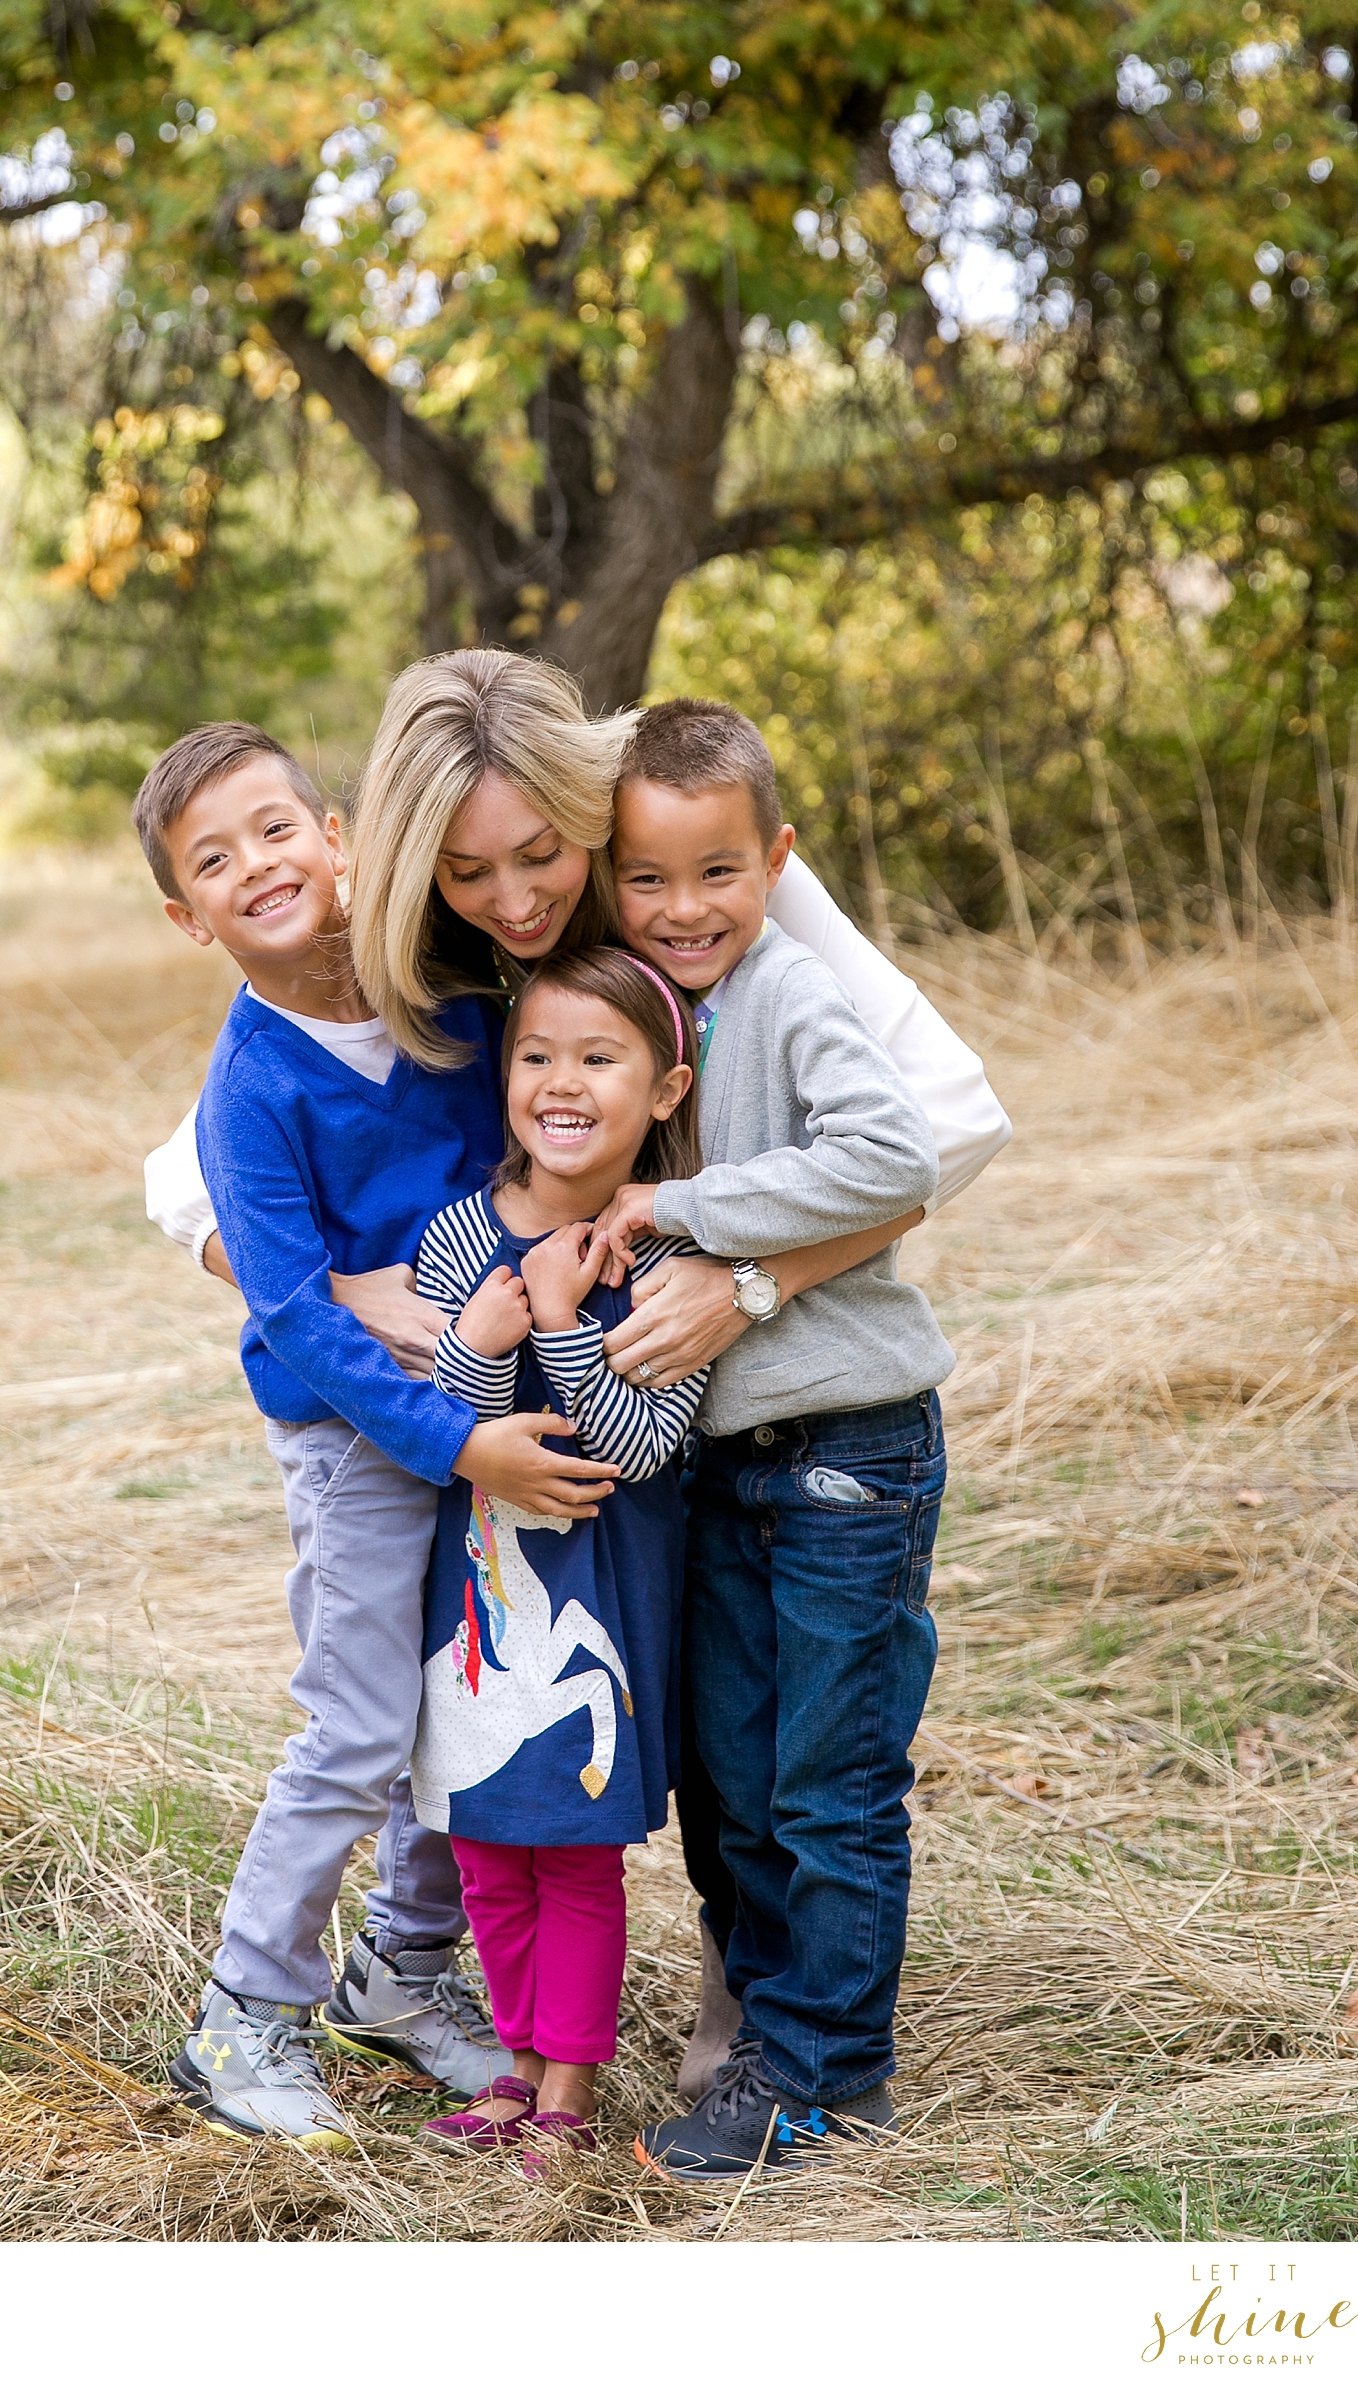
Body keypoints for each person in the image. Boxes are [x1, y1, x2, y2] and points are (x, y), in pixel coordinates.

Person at [144, 648, 1012, 2092]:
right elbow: (187, 1183)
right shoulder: (409, 921)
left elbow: (955, 1120)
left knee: (715, 1712)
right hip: (523, 1377)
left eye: (547, 856)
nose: (519, 902)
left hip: (735, 1375)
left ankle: (762, 2020)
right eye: (475, 874)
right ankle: (375, 1982)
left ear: (593, 810)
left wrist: (749, 1282)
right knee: (491, 1689)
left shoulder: (700, 860)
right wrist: (368, 1298)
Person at [133, 716, 611, 2149]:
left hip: (494, 1409)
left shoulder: (450, 1003)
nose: (258, 866)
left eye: (277, 827)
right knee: (354, 1722)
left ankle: (401, 1971)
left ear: (341, 836)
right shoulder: (252, 1092)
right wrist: (460, 1446)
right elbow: (297, 1319)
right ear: (185, 914)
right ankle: (243, 2013)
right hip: (358, 1442)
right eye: (214, 860)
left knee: (464, 1703)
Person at [594, 700, 952, 2184]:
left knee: (827, 1773)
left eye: (719, 873)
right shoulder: (655, 1009)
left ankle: (825, 2071)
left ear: (777, 860)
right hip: (729, 1462)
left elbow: (896, 1157)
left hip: (846, 1454)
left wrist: (688, 1211)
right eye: (652, 878)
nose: (685, 911)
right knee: (727, 1774)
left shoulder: (795, 994)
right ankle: (767, 2030)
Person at [406, 946, 713, 2169]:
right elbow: (439, 1431)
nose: (560, 1080)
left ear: (664, 1090)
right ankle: (514, 2060)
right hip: (474, 1588)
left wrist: (552, 1321)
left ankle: (569, 2089)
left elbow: (638, 1447)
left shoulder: (671, 1251)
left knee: (573, 1853)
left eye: (598, 1056)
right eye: (535, 1054)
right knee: (483, 1842)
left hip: (608, 1591)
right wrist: (485, 1334)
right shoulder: (455, 1235)